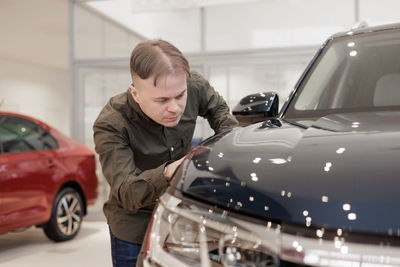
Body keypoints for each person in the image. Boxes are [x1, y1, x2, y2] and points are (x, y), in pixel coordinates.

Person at [93, 39, 238, 267]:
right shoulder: (111, 123)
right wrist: (171, 171)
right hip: (133, 226)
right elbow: (126, 192)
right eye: (161, 100)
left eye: (180, 96)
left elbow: (219, 111)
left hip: (180, 217)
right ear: (136, 93)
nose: (175, 107)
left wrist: (228, 145)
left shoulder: (193, 85)